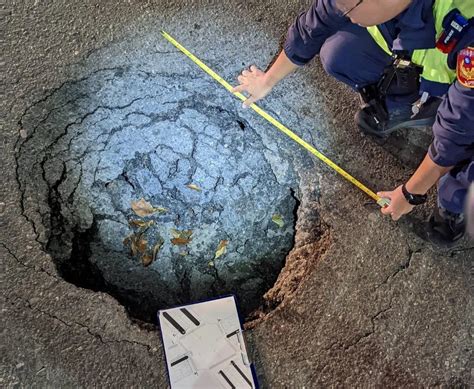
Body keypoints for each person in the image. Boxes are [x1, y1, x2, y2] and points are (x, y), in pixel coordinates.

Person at [232, 0, 473, 246]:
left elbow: (456, 132)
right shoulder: (360, 3)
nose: (342, 10)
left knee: (465, 146)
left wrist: (410, 194)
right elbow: (316, 22)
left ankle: (454, 203)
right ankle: (412, 105)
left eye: (349, 6)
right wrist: (268, 80)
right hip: (424, 55)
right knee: (340, 53)